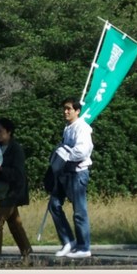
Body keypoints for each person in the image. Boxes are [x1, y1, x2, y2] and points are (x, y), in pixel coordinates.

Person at [48, 96, 93, 260]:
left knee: (79, 211)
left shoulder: (82, 128)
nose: (66, 111)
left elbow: (83, 151)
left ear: (77, 111)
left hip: (78, 173)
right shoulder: (67, 128)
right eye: (64, 108)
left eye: (69, 108)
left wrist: (64, 155)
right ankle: (68, 240)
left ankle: (84, 246)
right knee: (54, 205)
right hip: (65, 173)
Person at [0, 117, 32, 263]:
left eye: (1, 131)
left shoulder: (16, 149)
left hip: (13, 192)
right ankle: (28, 254)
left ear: (9, 132)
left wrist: (1, 169)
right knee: (14, 223)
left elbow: (18, 174)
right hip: (3, 191)